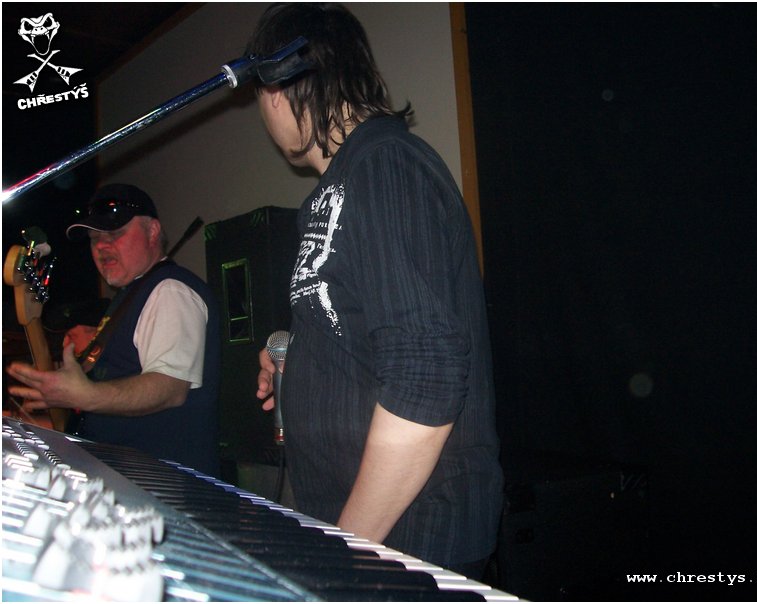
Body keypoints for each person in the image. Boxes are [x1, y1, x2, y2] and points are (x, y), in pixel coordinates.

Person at [251, 3, 503, 579]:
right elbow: (376, 327)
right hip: (375, 535)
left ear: (280, 85)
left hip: (409, 538)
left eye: (258, 92)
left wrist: (346, 546)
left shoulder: (384, 165)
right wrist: (303, 353)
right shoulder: (341, 185)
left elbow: (426, 373)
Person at [7, 184, 221, 476]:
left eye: (115, 234)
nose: (102, 246)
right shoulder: (128, 297)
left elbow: (170, 388)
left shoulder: (170, 290)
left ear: (153, 231)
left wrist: (86, 395)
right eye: (95, 238)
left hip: (163, 488)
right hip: (123, 482)